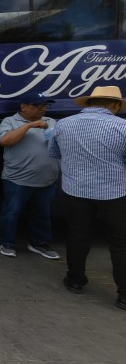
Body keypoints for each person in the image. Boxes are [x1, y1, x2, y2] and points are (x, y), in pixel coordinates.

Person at [48, 85, 126, 310]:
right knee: (121, 243)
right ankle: (123, 295)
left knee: (77, 235)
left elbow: (55, 153)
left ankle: (75, 281)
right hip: (115, 192)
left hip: (76, 190)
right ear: (115, 105)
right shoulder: (122, 127)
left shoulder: (63, 124)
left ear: (89, 103)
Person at [0, 92, 60, 259]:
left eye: (45, 106)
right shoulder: (10, 122)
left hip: (47, 179)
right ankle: (7, 242)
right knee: (12, 211)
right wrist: (28, 126)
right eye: (37, 106)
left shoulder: (52, 122)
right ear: (23, 107)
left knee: (42, 214)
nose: (42, 109)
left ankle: (39, 243)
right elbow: (5, 141)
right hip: (17, 179)